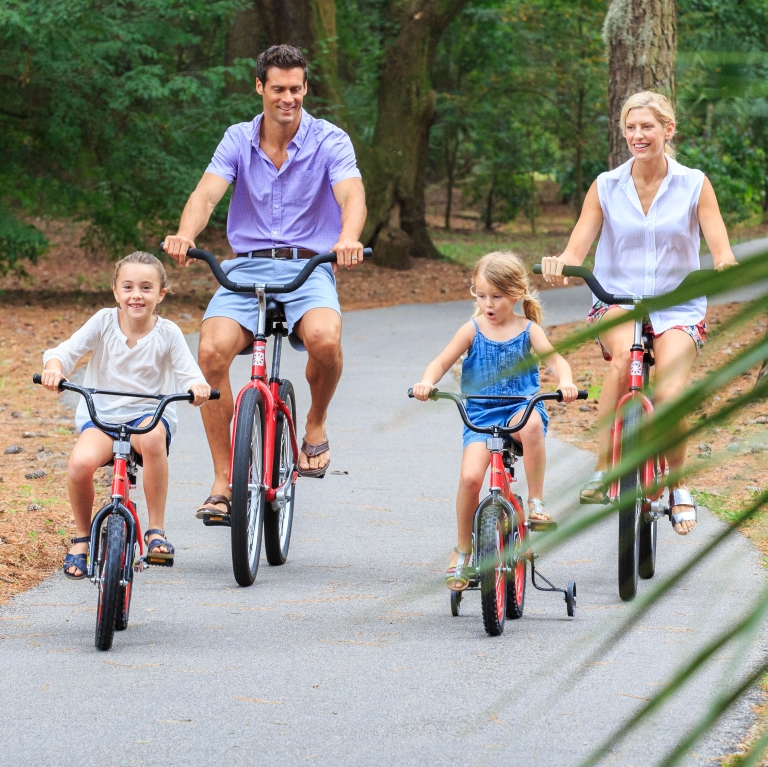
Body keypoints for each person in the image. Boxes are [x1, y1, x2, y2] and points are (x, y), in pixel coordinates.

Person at [163, 44, 366, 521]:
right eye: (278, 89)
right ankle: (222, 480)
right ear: (260, 87)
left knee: (324, 337)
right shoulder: (238, 138)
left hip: (309, 265)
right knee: (210, 353)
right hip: (246, 266)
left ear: (305, 88)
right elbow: (206, 192)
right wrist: (185, 234)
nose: (288, 98)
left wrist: (348, 238)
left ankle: (314, 422)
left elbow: (351, 194)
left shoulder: (330, 139)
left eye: (296, 88)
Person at [541, 91, 736, 535]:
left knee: (668, 393)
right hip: (615, 298)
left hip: (678, 304)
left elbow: (720, 246)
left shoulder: (694, 184)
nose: (637, 135)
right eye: (630, 127)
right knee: (619, 366)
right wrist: (561, 261)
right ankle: (602, 469)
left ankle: (678, 485)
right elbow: (576, 248)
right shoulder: (605, 185)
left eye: (647, 126)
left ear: (669, 130)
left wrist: (724, 263)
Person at [412, 251, 579, 591]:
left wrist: (565, 381)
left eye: (497, 296)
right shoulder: (472, 329)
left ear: (516, 294)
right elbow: (440, 362)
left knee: (530, 424)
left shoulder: (528, 330)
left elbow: (557, 362)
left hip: (520, 406)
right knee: (471, 477)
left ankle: (535, 502)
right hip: (481, 414)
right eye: (481, 295)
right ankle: (463, 551)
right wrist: (426, 383)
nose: (488, 303)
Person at [41, 252, 211, 577]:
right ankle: (81, 539)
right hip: (101, 417)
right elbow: (66, 351)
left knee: (151, 438)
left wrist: (197, 388)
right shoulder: (104, 321)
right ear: (116, 291)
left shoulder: (168, 333)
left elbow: (190, 373)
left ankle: (156, 530)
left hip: (147, 416)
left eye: (146, 288)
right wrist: (54, 369)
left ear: (161, 294)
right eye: (128, 287)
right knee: (79, 464)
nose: (136, 295)